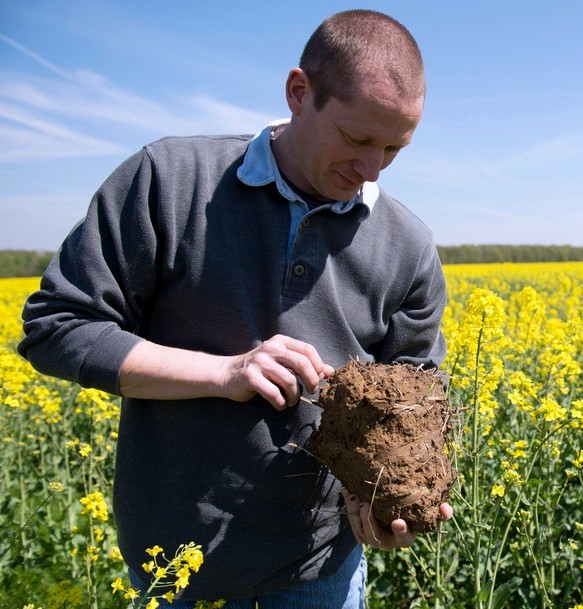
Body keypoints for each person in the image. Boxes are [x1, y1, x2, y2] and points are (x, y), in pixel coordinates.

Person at [18, 9, 451, 606]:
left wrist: (377, 490)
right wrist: (224, 372)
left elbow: (417, 393)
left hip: (317, 568)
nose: (370, 169)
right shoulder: (169, 180)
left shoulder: (407, 244)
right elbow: (57, 327)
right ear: (300, 93)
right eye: (356, 139)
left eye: (394, 148)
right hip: (170, 561)